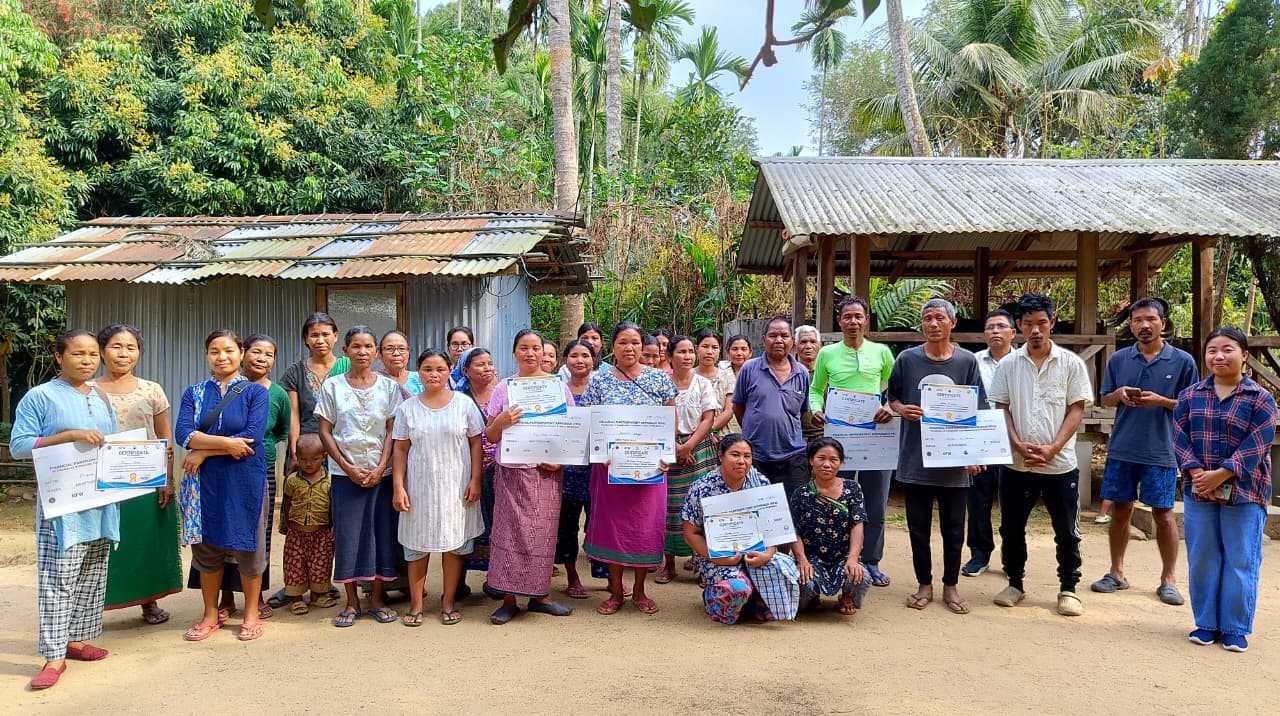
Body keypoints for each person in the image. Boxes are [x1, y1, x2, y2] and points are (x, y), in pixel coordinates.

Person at [12, 330, 119, 690]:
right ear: (59, 357)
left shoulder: (100, 396)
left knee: (92, 573)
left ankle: (77, 641)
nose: (87, 361)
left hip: (101, 501)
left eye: (92, 355)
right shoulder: (39, 397)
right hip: (63, 507)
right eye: (78, 354)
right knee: (59, 580)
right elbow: (19, 446)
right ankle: (53, 656)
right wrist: (68, 435)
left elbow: (113, 443)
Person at [989, 293, 1093, 617]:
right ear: (1019, 326)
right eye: (1028, 323)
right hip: (1016, 463)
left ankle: (1069, 587)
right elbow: (1001, 408)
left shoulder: (1071, 363)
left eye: (1042, 323)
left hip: (1060, 465)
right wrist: (1017, 444)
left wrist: (1053, 448)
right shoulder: (1007, 365)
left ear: (1052, 324)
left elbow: (1076, 409)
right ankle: (1015, 583)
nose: (1036, 330)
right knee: (1011, 527)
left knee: (1066, 529)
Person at [1174, 328, 1276, 653]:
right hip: (1199, 489)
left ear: (1244, 355)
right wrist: (1196, 472)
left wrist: (1222, 473)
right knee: (1203, 557)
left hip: (1245, 492)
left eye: (1227, 349)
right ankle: (1206, 624)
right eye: (1212, 350)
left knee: (1240, 559)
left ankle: (1234, 627)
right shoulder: (1190, 396)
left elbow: (1258, 442)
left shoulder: (1260, 398)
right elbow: (1178, 436)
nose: (1219, 356)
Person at [1091, 298, 1197, 605]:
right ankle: (1116, 572)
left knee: (1163, 514)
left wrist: (1162, 401)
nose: (1144, 325)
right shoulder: (1120, 359)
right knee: (1120, 511)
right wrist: (1119, 394)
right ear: (1131, 324)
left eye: (1150, 319)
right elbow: (1106, 399)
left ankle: (1169, 579)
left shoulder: (1183, 362)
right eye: (1137, 320)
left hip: (1162, 450)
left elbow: (1191, 405)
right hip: (1123, 448)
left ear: (1163, 323)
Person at [887, 299, 985, 614]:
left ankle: (951, 586)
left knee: (954, 528)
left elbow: (977, 408)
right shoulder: (906, 359)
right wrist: (903, 410)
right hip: (916, 459)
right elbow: (892, 397)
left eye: (939, 318)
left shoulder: (967, 362)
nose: (933, 324)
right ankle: (924, 584)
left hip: (954, 462)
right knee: (917, 527)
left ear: (952, 323)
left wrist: (974, 453)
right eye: (927, 318)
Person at [177, 329, 271, 643]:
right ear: (207, 356)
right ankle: (208, 613)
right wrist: (222, 445)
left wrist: (203, 450)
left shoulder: (256, 393)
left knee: (248, 547)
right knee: (207, 548)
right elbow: (183, 434)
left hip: (245, 479)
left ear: (241, 353)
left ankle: (251, 613)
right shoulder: (194, 393)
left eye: (229, 351)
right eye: (215, 351)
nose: (222, 357)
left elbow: (251, 439)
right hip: (203, 483)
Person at [582, 321, 679, 616]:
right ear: (612, 347)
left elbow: (671, 418)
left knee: (644, 527)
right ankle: (615, 592)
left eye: (635, 342)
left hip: (650, 469)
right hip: (611, 469)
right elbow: (590, 419)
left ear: (643, 346)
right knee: (614, 529)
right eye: (623, 342)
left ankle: (639, 590)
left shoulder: (658, 379)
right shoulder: (599, 380)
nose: (629, 348)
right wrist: (601, 452)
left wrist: (667, 454)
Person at [483, 330, 576, 624]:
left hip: (547, 473)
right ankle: (508, 599)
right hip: (512, 473)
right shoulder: (504, 388)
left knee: (543, 536)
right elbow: (490, 434)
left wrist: (559, 460)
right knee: (508, 535)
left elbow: (571, 430)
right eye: (524, 348)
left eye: (536, 348)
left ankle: (540, 596)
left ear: (545, 353)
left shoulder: (558, 387)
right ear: (514, 353)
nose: (530, 353)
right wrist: (502, 420)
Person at [316, 325, 405, 627]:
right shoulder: (333, 386)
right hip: (345, 474)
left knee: (381, 533)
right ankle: (351, 601)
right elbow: (325, 431)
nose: (363, 352)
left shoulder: (388, 387)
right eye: (356, 346)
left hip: (381, 473)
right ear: (346, 351)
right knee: (349, 535)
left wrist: (382, 466)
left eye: (369, 346)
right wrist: (347, 466)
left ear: (376, 352)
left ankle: (377, 599)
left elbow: (393, 429)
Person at [93, 324, 181, 625]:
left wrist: (167, 479)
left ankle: (149, 601)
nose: (124, 353)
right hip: (102, 480)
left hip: (145, 479)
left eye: (131, 347)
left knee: (145, 540)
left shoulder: (151, 389)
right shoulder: (89, 390)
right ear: (103, 351)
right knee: (104, 543)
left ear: (139, 353)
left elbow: (165, 436)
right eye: (116, 346)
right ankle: (93, 608)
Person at [391, 349, 486, 626]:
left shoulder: (464, 404)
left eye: (440, 369)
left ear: (449, 371)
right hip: (419, 487)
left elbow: (476, 443)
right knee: (417, 546)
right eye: (428, 369)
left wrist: (476, 479)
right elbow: (400, 449)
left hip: (457, 488)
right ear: (418, 372)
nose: (434, 374)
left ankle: (447, 602)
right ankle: (417, 604)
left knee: (454, 544)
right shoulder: (407, 408)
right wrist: (399, 486)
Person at [809, 296, 895, 587]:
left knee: (875, 503)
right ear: (840, 320)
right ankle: (838, 558)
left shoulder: (882, 352)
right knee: (835, 499)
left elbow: (891, 389)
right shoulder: (827, 354)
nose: (853, 322)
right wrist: (816, 410)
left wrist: (890, 408)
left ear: (866, 319)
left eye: (858, 316)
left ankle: (871, 561)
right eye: (848, 317)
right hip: (838, 441)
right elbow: (816, 390)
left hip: (875, 439)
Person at [206, 334, 290, 619]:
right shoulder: (221, 389)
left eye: (268, 354)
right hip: (219, 468)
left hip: (259, 467)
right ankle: (227, 598)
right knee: (223, 533)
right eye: (256, 352)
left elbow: (280, 430)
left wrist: (204, 450)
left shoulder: (275, 393)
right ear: (244, 354)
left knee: (258, 535)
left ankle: (258, 595)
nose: (261, 358)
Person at [681, 435, 801, 624]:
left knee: (783, 575)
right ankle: (713, 599)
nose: (741, 461)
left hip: (757, 554)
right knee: (737, 588)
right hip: (719, 558)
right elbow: (690, 533)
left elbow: (774, 528)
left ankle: (753, 603)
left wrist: (768, 554)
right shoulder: (702, 487)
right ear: (720, 456)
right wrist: (716, 557)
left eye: (747, 456)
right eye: (735, 455)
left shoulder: (760, 482)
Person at [657, 336, 719, 584]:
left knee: (701, 506)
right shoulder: (661, 383)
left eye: (690, 351)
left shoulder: (703, 383)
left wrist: (689, 446)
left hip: (699, 450)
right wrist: (676, 447)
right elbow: (655, 416)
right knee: (670, 508)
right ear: (670, 356)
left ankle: (703, 562)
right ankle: (668, 564)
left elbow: (708, 417)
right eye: (681, 351)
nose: (688, 356)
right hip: (667, 449)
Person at [732, 317, 811, 502]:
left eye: (784, 335)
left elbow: (801, 411)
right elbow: (738, 406)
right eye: (773, 335)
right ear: (763, 339)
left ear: (792, 341)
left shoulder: (802, 373)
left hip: (793, 456)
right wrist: (755, 429)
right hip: (756, 455)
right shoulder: (749, 369)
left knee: (794, 511)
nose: (779, 340)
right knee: (756, 510)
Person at [790, 438, 872, 616]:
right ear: (812, 460)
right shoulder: (801, 493)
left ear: (841, 463)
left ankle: (847, 596)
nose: (827, 464)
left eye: (833, 460)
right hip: (812, 558)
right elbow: (794, 531)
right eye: (821, 458)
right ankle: (813, 596)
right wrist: (802, 560)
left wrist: (852, 559)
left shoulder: (853, 488)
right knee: (805, 584)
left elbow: (857, 525)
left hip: (842, 556)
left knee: (861, 577)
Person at [963, 309, 1015, 577]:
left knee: (1013, 501)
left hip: (1014, 439)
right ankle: (979, 554)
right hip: (980, 440)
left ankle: (1012, 557)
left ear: (1013, 333)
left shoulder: (1024, 361)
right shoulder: (972, 361)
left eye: (1001, 327)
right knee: (978, 499)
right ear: (984, 334)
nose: (995, 331)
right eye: (990, 327)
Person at [280, 312, 349, 469]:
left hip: (343, 445)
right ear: (306, 338)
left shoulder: (348, 367)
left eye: (326, 334)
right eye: (314, 335)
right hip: (308, 450)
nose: (320, 340)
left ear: (335, 336)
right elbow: (294, 415)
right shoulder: (295, 372)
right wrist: (294, 451)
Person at [278, 434, 337, 615]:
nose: (308, 464)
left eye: (314, 459)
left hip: (321, 532)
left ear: (324, 456)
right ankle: (296, 598)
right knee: (295, 564)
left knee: (321, 563)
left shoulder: (329, 481)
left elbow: (333, 507)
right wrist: (285, 525)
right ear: (297, 457)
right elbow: (286, 504)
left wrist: (333, 526)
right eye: (303, 459)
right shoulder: (292, 481)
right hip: (296, 532)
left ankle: (318, 594)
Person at [555, 340, 597, 598]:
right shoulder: (556, 391)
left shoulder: (602, 388)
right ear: (565, 360)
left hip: (597, 468)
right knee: (568, 525)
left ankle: (606, 578)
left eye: (585, 355)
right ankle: (572, 576)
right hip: (567, 468)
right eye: (573, 355)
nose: (579, 360)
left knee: (598, 522)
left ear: (594, 360)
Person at [456, 347, 497, 590]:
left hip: (499, 470)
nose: (487, 368)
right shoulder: (457, 397)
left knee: (496, 524)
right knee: (465, 524)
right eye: (480, 364)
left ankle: (494, 581)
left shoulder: (503, 393)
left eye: (490, 363)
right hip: (467, 472)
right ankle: (458, 584)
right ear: (466, 370)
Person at [693, 328, 738, 436]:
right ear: (696, 348)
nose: (709, 352)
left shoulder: (727, 375)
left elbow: (729, 410)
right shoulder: (689, 375)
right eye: (705, 346)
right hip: (689, 435)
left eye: (714, 347)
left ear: (719, 350)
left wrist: (707, 431)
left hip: (722, 435)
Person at [794, 325, 824, 444]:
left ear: (819, 345)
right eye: (803, 342)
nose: (808, 346)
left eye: (813, 341)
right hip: (798, 438)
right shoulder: (789, 374)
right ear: (795, 347)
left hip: (826, 437)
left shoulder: (829, 374)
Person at [377, 330, 423, 397]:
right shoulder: (373, 381)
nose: (396, 353)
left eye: (401, 348)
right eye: (390, 349)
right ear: (380, 354)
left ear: (408, 353)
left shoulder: (421, 379)